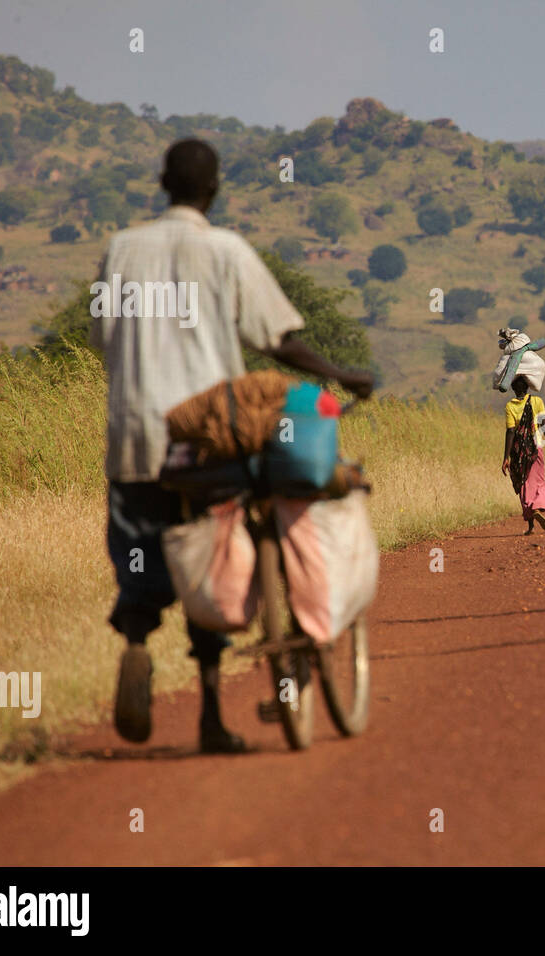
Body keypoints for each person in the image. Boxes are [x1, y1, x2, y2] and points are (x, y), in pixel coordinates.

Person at [90, 139, 374, 753]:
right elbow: (279, 340)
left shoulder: (120, 249)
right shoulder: (224, 251)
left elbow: (101, 336)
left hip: (137, 436)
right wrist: (340, 373)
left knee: (140, 551)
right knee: (212, 557)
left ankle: (137, 644)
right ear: (214, 190)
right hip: (208, 439)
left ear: (162, 183)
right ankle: (211, 714)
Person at [502, 374, 545, 534]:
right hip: (535, 447)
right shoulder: (536, 401)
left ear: (513, 389)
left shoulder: (510, 406)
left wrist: (506, 457)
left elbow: (510, 431)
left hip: (517, 452)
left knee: (523, 484)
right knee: (539, 481)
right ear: (528, 387)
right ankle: (537, 507)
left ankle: (531, 526)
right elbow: (543, 425)